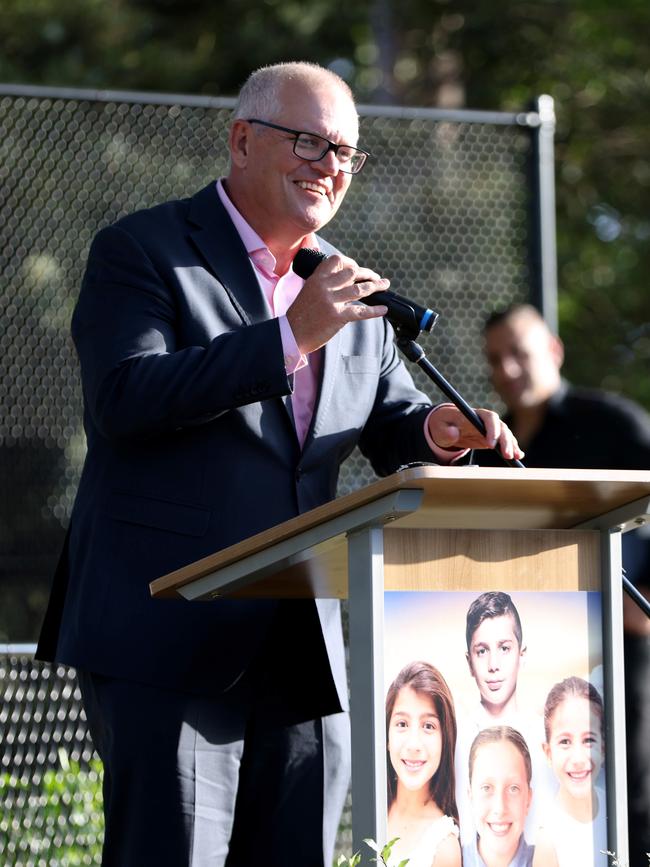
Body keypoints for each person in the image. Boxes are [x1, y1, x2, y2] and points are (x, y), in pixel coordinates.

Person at [34, 61, 522, 867]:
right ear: (241, 140)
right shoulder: (145, 251)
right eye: (309, 140)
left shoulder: (344, 287)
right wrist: (291, 336)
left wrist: (437, 428)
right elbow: (124, 397)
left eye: (347, 152)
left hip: (304, 652)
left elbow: (386, 414)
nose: (330, 164)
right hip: (170, 638)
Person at [478, 302, 650, 865]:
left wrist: (641, 603)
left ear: (553, 351)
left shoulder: (613, 424)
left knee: (631, 788)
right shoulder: (487, 451)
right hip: (541, 661)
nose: (508, 369)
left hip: (623, 647)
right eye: (495, 359)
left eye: (519, 353)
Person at [455, 592, 548, 846]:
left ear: (522, 654)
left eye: (504, 648)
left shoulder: (544, 739)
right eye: (482, 651)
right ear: (469, 662)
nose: (493, 664)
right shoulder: (457, 739)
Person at [385, 661, 461, 867]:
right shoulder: (374, 808)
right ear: (386, 737)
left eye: (428, 726)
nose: (414, 744)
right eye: (402, 724)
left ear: (445, 739)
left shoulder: (443, 845)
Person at [533, 677, 607, 867]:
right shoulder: (548, 841)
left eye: (588, 740)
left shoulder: (615, 809)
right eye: (565, 742)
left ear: (604, 748)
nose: (578, 759)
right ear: (548, 753)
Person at [462, 726, 535, 867]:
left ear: (528, 799)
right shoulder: (447, 861)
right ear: (470, 797)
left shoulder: (550, 861)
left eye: (513, 789)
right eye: (486, 788)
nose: (500, 808)